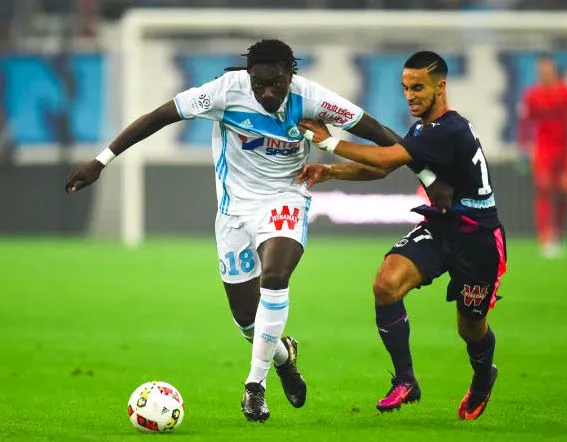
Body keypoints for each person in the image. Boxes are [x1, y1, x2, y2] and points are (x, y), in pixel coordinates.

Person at [63, 40, 452, 422]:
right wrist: (100, 162)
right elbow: (159, 116)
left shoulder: (312, 98)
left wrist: (429, 177)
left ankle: (255, 386)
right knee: (247, 319)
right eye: (259, 84)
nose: (267, 93)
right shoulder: (223, 91)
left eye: (276, 84)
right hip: (234, 210)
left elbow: (378, 132)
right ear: (248, 76)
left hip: (286, 197)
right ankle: (283, 357)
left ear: (290, 77)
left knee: (275, 276)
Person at [298, 51, 507, 420]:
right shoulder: (425, 130)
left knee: (470, 328)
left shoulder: (447, 129)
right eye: (405, 88)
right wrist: (330, 172)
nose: (410, 95)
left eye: (418, 88)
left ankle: (482, 376)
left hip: (478, 240)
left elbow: (385, 159)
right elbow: (384, 170)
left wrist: (328, 142)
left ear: (441, 87)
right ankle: (406, 380)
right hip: (442, 228)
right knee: (386, 284)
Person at [517, 54, 567, 258]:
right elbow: (525, 122)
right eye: (541, 71)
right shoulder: (532, 95)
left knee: (564, 191)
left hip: (564, 150)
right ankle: (545, 237)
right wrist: (524, 147)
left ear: (554, 71)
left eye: (547, 70)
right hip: (543, 150)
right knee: (544, 190)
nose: (544, 74)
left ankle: (559, 234)